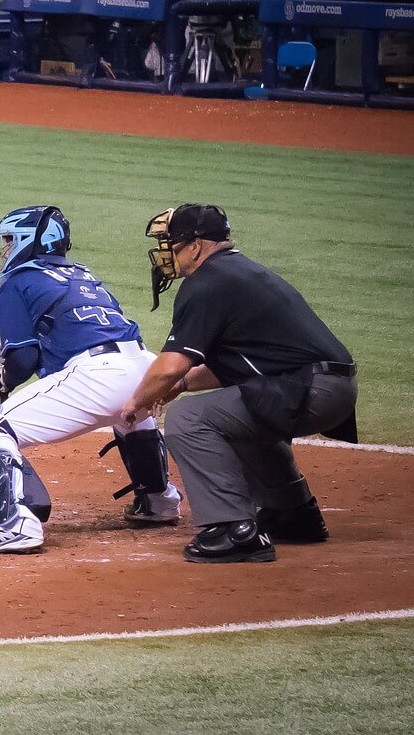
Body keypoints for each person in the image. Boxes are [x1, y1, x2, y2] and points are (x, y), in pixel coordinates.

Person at [120, 205, 357, 564]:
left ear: (196, 245)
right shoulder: (238, 272)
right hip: (328, 388)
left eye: (172, 243)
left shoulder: (207, 282)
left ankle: (233, 530)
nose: (166, 252)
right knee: (237, 415)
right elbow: (243, 365)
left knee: (189, 419)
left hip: (306, 390)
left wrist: (136, 402)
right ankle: (291, 513)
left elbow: (169, 366)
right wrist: (184, 384)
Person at [0, 205, 182, 555]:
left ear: (30, 241)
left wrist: (5, 380)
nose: (5, 249)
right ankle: (159, 500)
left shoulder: (18, 282)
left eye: (10, 240)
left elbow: (23, 358)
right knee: (128, 413)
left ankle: (14, 525)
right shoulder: (82, 276)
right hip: (144, 366)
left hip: (98, 375)